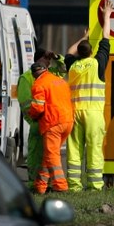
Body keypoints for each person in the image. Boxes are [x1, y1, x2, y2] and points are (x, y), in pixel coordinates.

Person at [64, 0, 113, 191]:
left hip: (74, 113)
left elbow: (69, 51)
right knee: (94, 149)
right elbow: (106, 38)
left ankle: (74, 185)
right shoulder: (97, 64)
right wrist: (107, 16)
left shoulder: (73, 66)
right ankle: (94, 184)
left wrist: (83, 37)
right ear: (92, 51)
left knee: (74, 149)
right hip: (93, 113)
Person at [17, 47, 66, 190]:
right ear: (39, 59)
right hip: (38, 122)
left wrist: (56, 56)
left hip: (51, 123)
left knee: (49, 155)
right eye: (46, 58)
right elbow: (26, 103)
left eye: (50, 59)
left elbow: (63, 68)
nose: (49, 61)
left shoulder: (49, 74)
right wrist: (34, 121)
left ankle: (47, 184)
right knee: (36, 154)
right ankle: (34, 183)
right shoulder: (27, 77)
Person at [28, 62, 74, 194]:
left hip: (52, 123)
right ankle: (40, 186)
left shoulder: (39, 84)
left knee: (52, 155)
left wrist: (32, 115)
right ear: (46, 69)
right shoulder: (59, 81)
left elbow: (37, 107)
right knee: (49, 154)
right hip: (67, 121)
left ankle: (60, 186)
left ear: (33, 74)